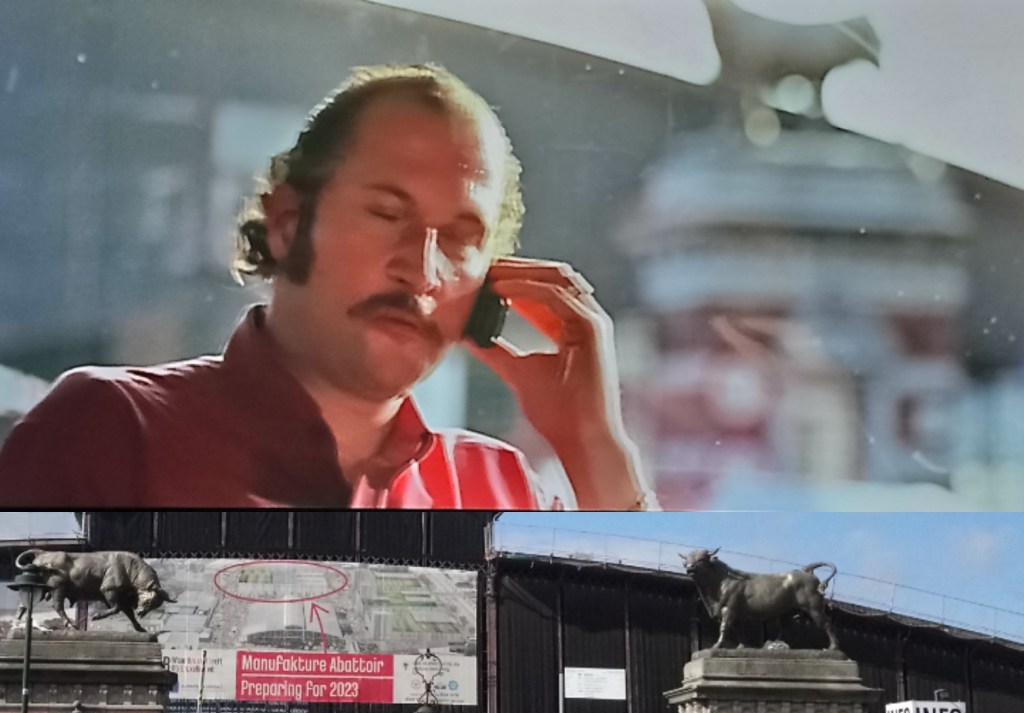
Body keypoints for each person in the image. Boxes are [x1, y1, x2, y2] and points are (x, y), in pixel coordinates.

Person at [0, 63, 653, 512]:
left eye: (458, 239)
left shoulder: (500, 488)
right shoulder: (108, 432)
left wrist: (595, 446)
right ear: (287, 223)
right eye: (387, 214)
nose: (422, 271)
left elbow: (649, 687)